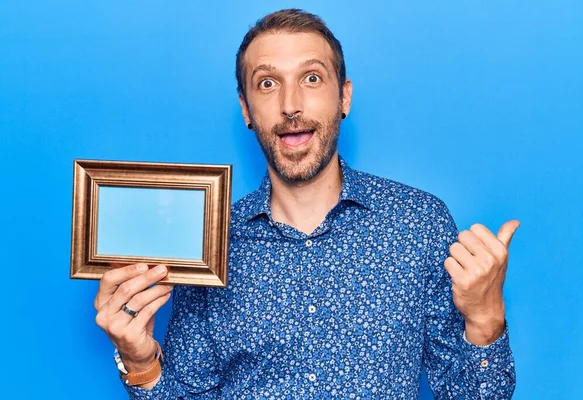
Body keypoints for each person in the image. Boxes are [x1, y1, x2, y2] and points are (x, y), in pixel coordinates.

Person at [94, 9, 518, 399]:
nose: (290, 105)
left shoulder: (418, 224)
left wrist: (485, 318)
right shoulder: (211, 243)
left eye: (311, 78)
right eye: (267, 83)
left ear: (344, 97)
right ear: (246, 108)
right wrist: (140, 362)